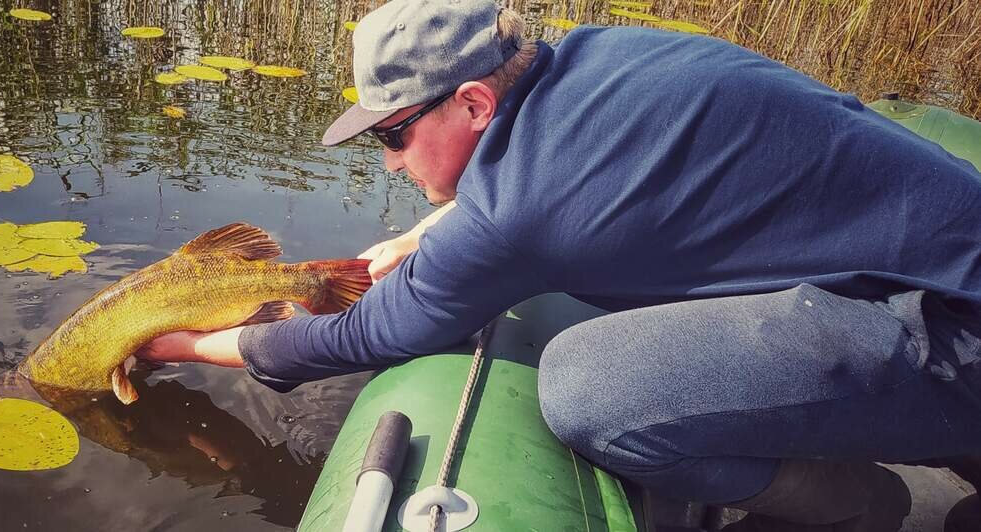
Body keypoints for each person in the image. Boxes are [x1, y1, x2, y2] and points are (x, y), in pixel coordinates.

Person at [141, 0, 981, 530]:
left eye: (392, 135)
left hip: (957, 330)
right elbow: (554, 182)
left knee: (590, 389)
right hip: (938, 265)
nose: (390, 162)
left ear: (473, 102)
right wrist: (435, 232)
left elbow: (360, 334)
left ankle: (861, 509)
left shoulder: (524, 205)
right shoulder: (592, 55)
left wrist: (173, 344)